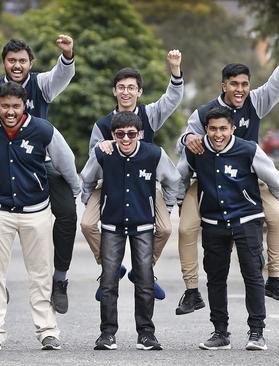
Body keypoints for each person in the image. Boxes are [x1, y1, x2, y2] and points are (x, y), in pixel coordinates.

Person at [175, 31, 279, 315]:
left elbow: (278, 82)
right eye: (234, 84)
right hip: (207, 180)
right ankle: (191, 291)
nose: (240, 89)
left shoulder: (255, 102)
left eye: (245, 84)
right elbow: (181, 145)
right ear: (224, 85)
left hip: (249, 180)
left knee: (278, 216)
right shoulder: (204, 113)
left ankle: (274, 278)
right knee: (185, 228)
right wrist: (186, 139)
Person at [0, 82, 80, 351]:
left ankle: (47, 330)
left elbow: (65, 161)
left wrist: (76, 189)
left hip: (36, 210)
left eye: (15, 106)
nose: (10, 111)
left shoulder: (43, 130)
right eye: (5, 106)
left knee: (41, 273)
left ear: (24, 106)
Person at [0, 36, 77, 313]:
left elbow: (61, 75)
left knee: (67, 211)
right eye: (11, 60)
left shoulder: (41, 85)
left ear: (30, 63)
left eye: (22, 61)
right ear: (4, 62)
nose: (17, 65)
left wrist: (68, 55)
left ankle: (59, 279)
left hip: (39, 161)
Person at [177, 107, 279, 351]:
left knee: (253, 276)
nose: (218, 134)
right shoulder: (196, 149)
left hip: (246, 220)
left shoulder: (247, 149)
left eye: (223, 129)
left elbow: (275, 178)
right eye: (213, 129)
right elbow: (180, 177)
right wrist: (177, 200)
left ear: (232, 129)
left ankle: (257, 332)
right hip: (213, 222)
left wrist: (278, 197)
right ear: (206, 129)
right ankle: (220, 333)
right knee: (216, 278)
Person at [82, 50, 183, 301]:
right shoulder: (103, 124)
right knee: (86, 224)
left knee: (164, 228)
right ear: (114, 91)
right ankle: (110, 267)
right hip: (109, 184)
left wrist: (175, 69)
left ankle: (143, 270)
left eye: (131, 87)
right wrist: (99, 148)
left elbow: (172, 99)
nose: (126, 92)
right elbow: (91, 160)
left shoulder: (149, 115)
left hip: (144, 184)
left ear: (139, 92)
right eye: (121, 87)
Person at [81, 112, 180, 351]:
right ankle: (107, 334)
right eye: (120, 134)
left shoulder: (153, 154)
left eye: (132, 134)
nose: (126, 138)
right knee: (108, 280)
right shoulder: (103, 154)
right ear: (113, 135)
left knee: (145, 280)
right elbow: (87, 179)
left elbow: (173, 180)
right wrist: (90, 201)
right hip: (112, 224)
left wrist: (165, 207)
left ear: (140, 134)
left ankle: (146, 333)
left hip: (143, 224)